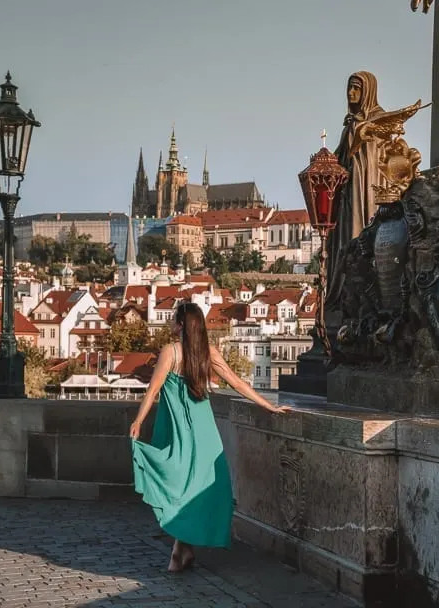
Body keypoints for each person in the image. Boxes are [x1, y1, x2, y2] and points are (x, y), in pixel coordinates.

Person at [130, 302, 292, 572]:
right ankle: (183, 550)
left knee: (180, 484)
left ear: (181, 325)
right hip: (204, 430)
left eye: (173, 320)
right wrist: (268, 405)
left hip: (181, 428)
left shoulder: (170, 352)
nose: (170, 324)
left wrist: (138, 421)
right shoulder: (208, 352)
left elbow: (152, 390)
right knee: (199, 487)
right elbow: (237, 382)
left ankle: (179, 551)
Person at [326, 71, 385, 315]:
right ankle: (340, 292)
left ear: (368, 92)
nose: (351, 94)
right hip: (349, 196)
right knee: (342, 242)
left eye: (356, 89)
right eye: (349, 88)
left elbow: (374, 160)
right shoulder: (350, 124)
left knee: (358, 239)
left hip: (365, 194)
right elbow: (343, 157)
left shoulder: (377, 121)